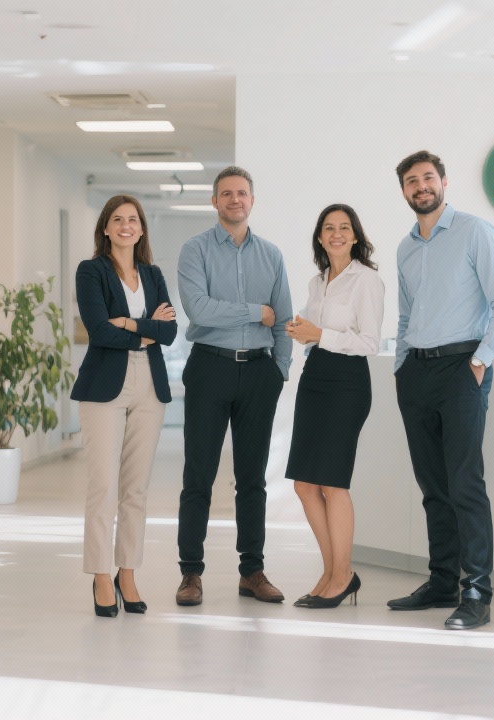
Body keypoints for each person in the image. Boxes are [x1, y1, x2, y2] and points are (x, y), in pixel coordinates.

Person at [388, 150, 494, 630]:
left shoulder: (475, 232)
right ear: (404, 191)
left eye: (428, 177)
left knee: (465, 483)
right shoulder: (405, 249)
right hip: (417, 372)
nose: (421, 186)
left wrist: (480, 362)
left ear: (443, 182)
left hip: (462, 368)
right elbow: (406, 316)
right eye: (411, 181)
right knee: (432, 486)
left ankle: (477, 592)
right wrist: (402, 366)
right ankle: (443, 581)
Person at [174, 166, 293, 606]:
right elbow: (200, 310)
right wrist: (253, 311)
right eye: (226, 193)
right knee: (198, 476)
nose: (235, 199)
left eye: (242, 193)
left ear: (252, 200)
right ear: (215, 201)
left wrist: (279, 371)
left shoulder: (272, 255)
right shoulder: (195, 250)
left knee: (252, 479)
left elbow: (282, 317)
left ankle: (252, 571)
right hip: (210, 367)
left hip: (259, 373)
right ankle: (190, 573)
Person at [71, 194, 177, 618]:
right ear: (106, 228)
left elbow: (170, 333)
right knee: (103, 487)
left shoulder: (152, 274)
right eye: (118, 219)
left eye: (133, 219)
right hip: (105, 386)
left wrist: (131, 324)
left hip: (150, 384)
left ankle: (127, 573)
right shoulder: (91, 271)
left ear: (141, 228)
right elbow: (99, 332)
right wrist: (148, 329)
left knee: (136, 489)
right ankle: (101, 576)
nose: (126, 225)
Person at [284, 204, 384, 609]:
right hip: (315, 377)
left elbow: (370, 343)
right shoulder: (317, 281)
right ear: (320, 237)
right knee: (304, 484)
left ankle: (341, 577)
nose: (337, 233)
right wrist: (302, 332)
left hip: (347, 382)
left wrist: (319, 334)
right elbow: (315, 332)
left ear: (355, 236)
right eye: (329, 228)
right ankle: (332, 572)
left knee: (333, 483)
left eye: (344, 227)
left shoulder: (367, 281)